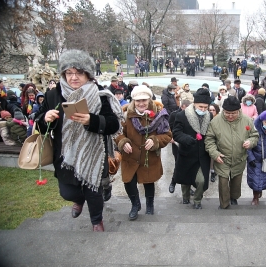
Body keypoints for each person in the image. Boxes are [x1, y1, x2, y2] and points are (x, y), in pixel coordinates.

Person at [37, 49, 122, 232]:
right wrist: (45, 118)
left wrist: (93, 121)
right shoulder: (53, 95)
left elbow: (114, 124)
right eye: (69, 72)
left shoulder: (100, 94)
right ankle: (78, 199)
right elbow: (41, 123)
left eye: (79, 73)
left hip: (94, 154)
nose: (73, 77)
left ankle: (96, 221)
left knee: (93, 192)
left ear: (88, 74)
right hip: (65, 155)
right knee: (68, 192)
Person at [116, 85, 172, 220]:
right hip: (130, 157)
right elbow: (118, 133)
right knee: (128, 182)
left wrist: (156, 140)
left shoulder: (158, 114)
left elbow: (167, 135)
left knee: (149, 182)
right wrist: (123, 142)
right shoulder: (125, 114)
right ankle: (135, 204)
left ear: (149, 100)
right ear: (133, 101)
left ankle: (150, 205)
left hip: (149, 157)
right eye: (138, 100)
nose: (141, 103)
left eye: (144, 100)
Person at [205, 96, 259, 209]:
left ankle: (234, 197)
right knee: (223, 182)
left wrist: (250, 141)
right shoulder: (215, 121)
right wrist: (215, 153)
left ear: (239, 111)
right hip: (222, 158)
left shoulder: (247, 120)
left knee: (236, 181)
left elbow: (255, 135)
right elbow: (209, 139)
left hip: (239, 158)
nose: (230, 115)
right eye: (227, 113)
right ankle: (224, 204)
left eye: (233, 113)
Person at [173, 89, 213, 209]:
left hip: (202, 155)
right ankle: (185, 198)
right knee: (185, 180)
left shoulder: (209, 115)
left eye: (206, 107)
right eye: (201, 106)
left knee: (201, 180)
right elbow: (176, 133)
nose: (203, 110)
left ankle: (197, 200)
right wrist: (186, 139)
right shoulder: (182, 115)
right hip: (187, 153)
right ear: (194, 104)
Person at [168, 99, 191, 194]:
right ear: (182, 107)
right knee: (179, 163)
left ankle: (187, 186)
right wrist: (171, 137)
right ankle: (173, 182)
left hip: (187, 142)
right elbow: (168, 127)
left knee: (188, 164)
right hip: (176, 142)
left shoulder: (191, 116)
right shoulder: (174, 115)